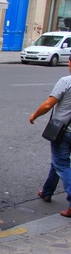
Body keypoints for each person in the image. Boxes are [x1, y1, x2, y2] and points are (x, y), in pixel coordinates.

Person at [29, 56, 71, 217]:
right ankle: (47, 191)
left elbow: (48, 104)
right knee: (58, 162)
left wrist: (34, 115)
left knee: (62, 164)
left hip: (63, 131)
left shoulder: (66, 81)